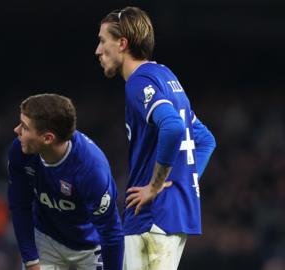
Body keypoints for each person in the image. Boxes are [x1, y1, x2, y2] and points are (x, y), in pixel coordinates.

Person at [95, 6, 216, 270]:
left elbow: (172, 127)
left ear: (123, 43)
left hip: (151, 218)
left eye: (103, 40)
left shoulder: (138, 82)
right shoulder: (166, 76)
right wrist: (183, 182)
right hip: (173, 217)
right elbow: (205, 140)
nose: (98, 50)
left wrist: (155, 185)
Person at [8, 93, 124, 270]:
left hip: (90, 246)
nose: (16, 130)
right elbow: (19, 205)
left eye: (24, 127)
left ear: (47, 138)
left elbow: (111, 232)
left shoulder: (91, 169)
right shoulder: (20, 151)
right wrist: (30, 260)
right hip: (46, 238)